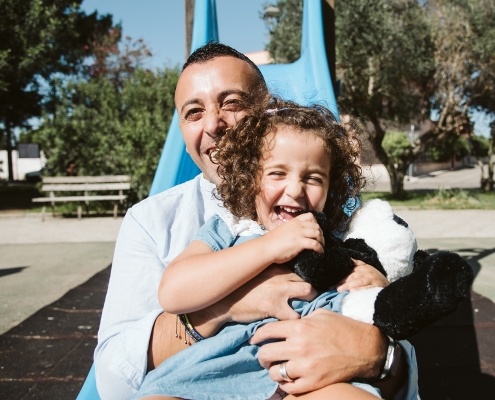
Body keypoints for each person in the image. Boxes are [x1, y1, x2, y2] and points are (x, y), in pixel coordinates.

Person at [95, 43, 418, 400]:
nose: (214, 124)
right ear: (182, 132)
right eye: (193, 112)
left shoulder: (335, 216)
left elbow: (399, 351)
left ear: (268, 113)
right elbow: (113, 378)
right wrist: (227, 305)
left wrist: (378, 352)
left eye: (231, 103)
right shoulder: (154, 221)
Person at [135, 99, 394, 399]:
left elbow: (374, 312)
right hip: (215, 376)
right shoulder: (233, 228)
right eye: (277, 173)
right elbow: (173, 291)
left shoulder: (337, 240)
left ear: (330, 187)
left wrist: (378, 286)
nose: (295, 189)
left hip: (306, 376)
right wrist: (269, 246)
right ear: (251, 179)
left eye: (313, 178)